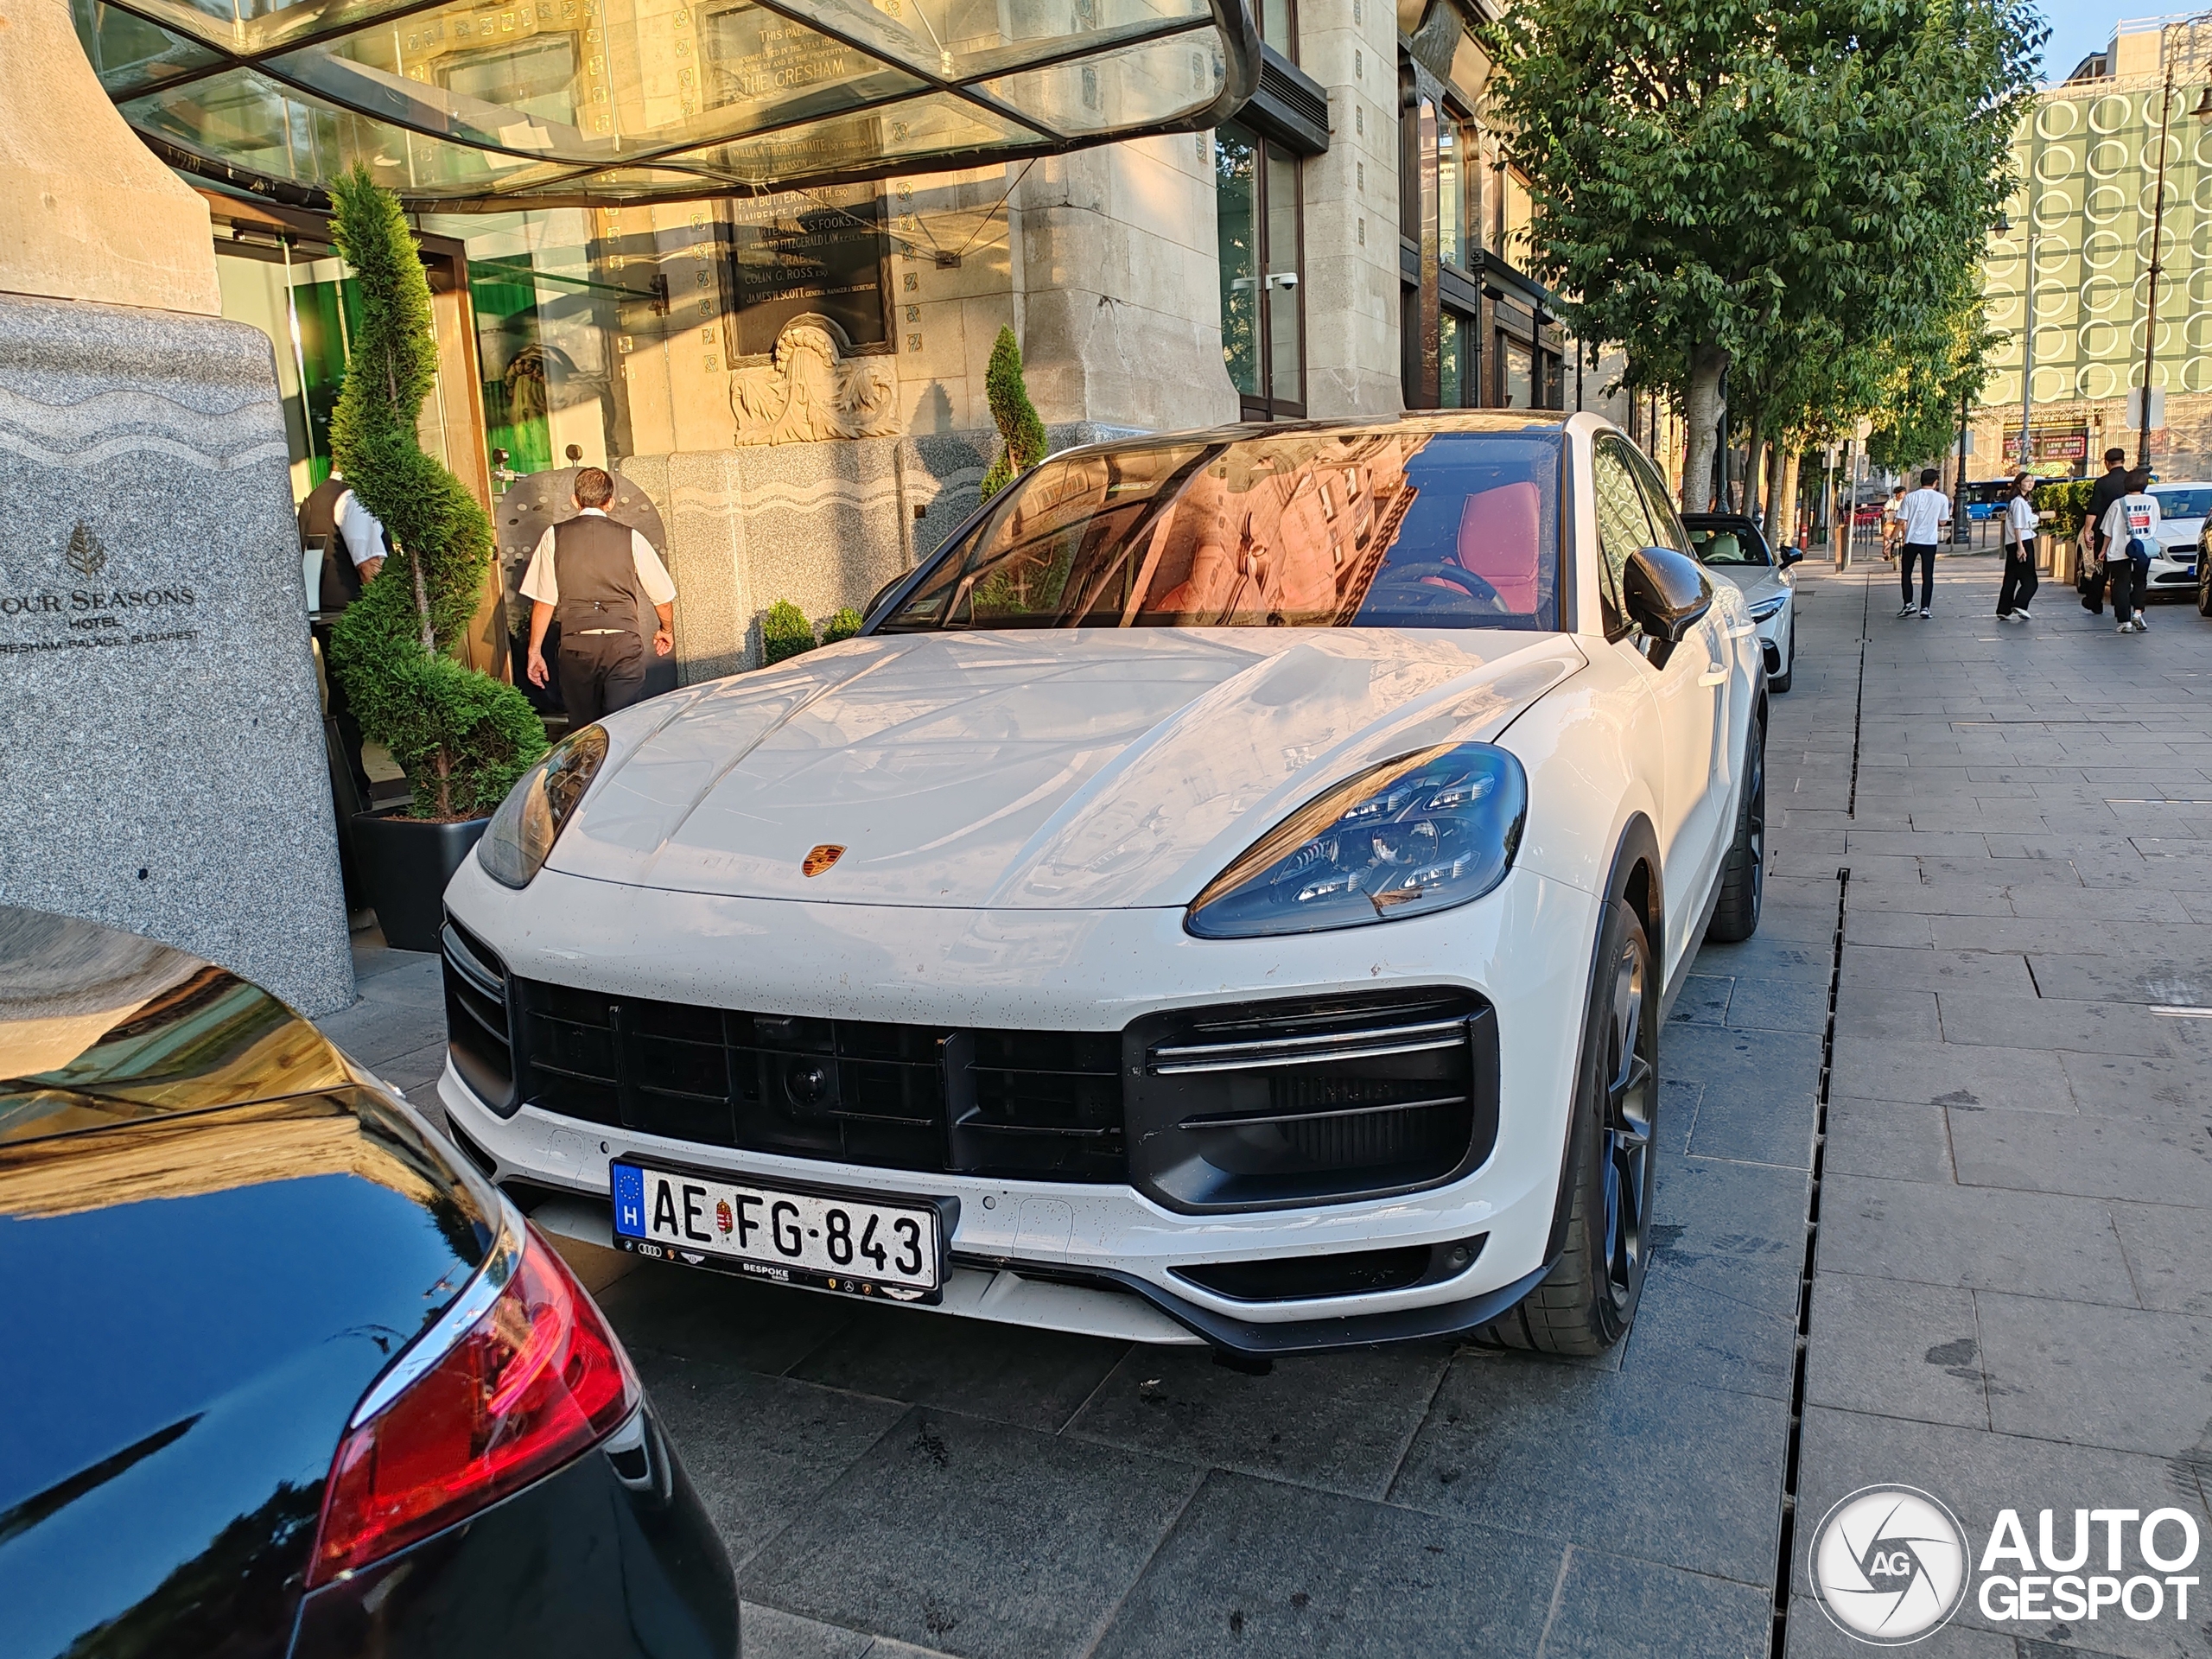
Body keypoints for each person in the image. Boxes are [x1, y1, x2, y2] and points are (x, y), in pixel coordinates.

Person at [522, 467, 677, 723]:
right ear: (611, 503)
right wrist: (666, 629)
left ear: (575, 500)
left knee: (585, 731)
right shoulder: (632, 538)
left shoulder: (554, 536)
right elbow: (662, 598)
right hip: (622, 645)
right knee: (622, 724)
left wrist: (534, 652)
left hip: (577, 645)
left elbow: (544, 600)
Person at [296, 470, 388, 804]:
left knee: (343, 704)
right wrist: (386, 620)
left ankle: (350, 788)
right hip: (352, 616)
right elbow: (370, 566)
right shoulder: (352, 497)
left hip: (325, 615)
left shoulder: (314, 497)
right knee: (368, 704)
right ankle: (358, 791)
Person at [2098, 467, 2159, 634]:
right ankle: (2138, 613)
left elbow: (2108, 530)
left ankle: (2124, 621)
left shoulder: (2118, 504)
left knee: (2121, 585)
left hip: (2119, 549)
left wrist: (2103, 550)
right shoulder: (2153, 502)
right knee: (2140, 581)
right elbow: (2155, 523)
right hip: (2143, 548)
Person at [2079, 447, 2130, 614]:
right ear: (2123, 460)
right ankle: (2121, 600)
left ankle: (2095, 601)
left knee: (2100, 566)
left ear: (2106, 463)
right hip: (2129, 531)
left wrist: (2087, 531)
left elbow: (2094, 509)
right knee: (2123, 569)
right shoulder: (2132, 480)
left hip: (2104, 530)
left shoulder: (2102, 483)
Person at [1895, 467, 1949, 618]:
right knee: (1928, 574)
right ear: (1935, 482)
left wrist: (1891, 540)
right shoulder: (1941, 498)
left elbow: (1900, 521)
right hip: (1929, 541)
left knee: (1906, 573)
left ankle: (1908, 604)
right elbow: (1943, 522)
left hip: (1911, 539)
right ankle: (1925, 607)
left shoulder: (1910, 497)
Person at [1995, 472, 2040, 622]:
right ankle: (2020, 604)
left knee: (2011, 578)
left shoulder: (2015, 501)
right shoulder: (2019, 502)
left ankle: (2004, 609)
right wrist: (2021, 547)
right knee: (2030, 580)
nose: (2030, 484)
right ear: (2019, 483)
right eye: (2027, 481)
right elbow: (2018, 526)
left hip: (2012, 543)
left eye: (2032, 481)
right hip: (2023, 541)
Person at [1881, 484, 1906, 563]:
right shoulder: (1891, 501)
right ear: (1898, 494)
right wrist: (1889, 510)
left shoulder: (1905, 501)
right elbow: (1885, 508)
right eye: (1902, 493)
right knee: (1887, 534)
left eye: (1904, 493)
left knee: (1906, 529)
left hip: (1902, 522)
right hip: (1892, 522)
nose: (1904, 495)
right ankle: (1887, 552)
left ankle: (1905, 544)